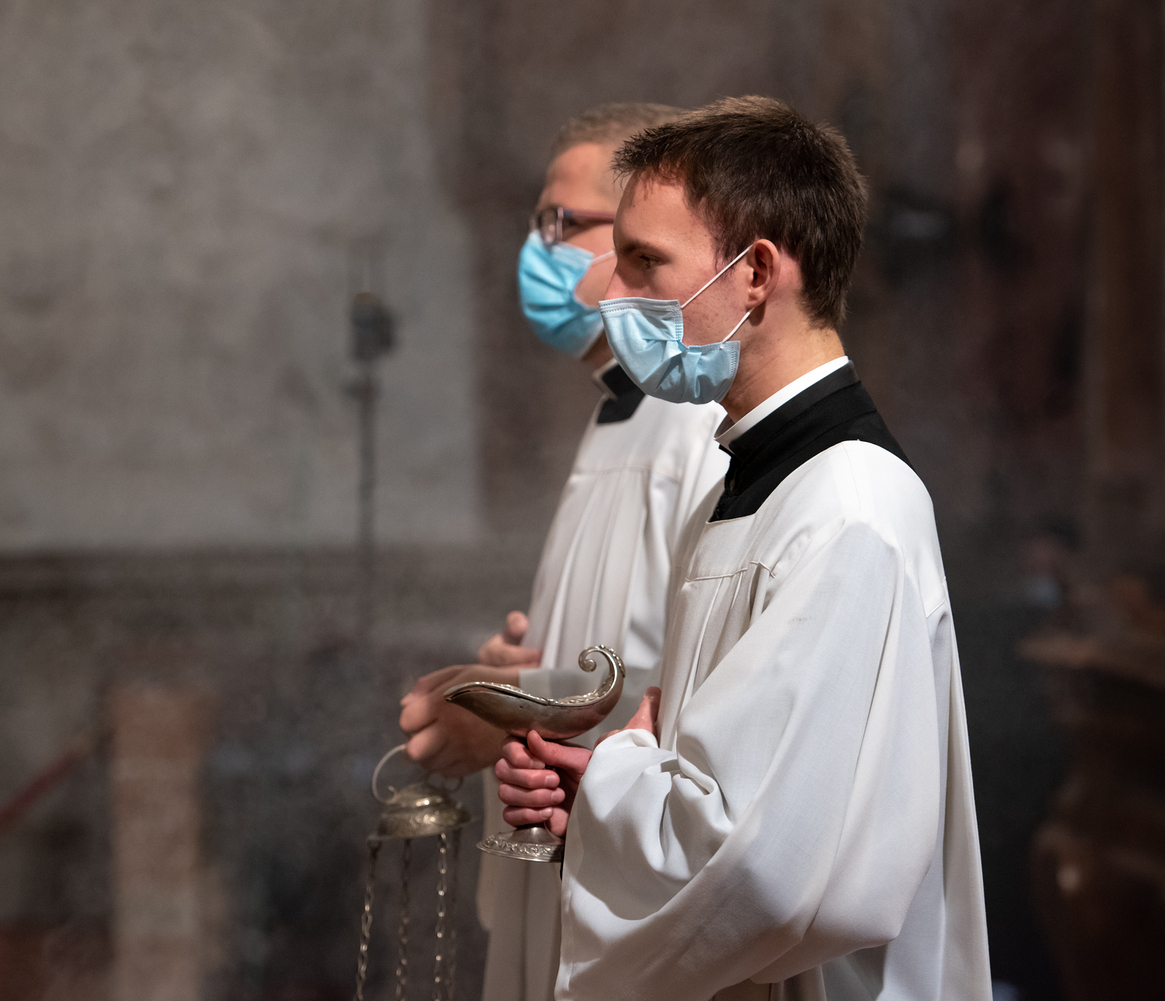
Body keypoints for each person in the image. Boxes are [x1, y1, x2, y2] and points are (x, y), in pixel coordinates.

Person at [496, 96, 991, 1000]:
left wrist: (614, 781)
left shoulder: (848, 508)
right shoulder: (742, 487)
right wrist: (590, 795)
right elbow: (727, 786)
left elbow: (764, 867)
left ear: (756, 271)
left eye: (645, 262)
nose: (613, 296)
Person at [397, 103, 731, 1001]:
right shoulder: (620, 413)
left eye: (560, 223)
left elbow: (700, 696)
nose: (534, 250)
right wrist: (514, 672)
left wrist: (507, 716)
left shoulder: (701, 427)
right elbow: (613, 638)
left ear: (641, 239)